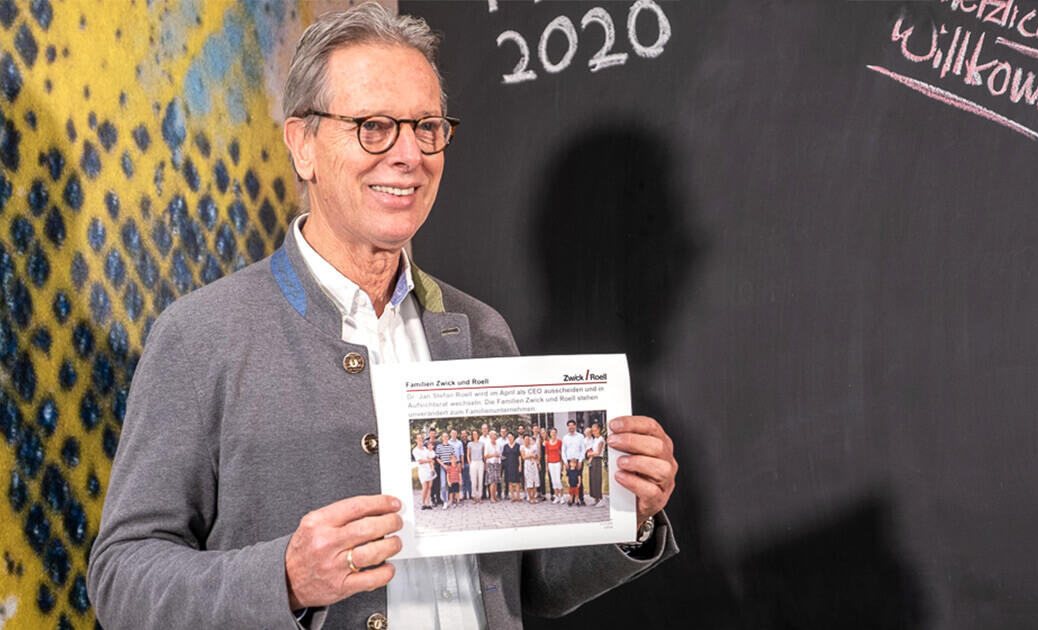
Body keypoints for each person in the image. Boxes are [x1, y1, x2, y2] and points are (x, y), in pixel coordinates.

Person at [89, 4, 678, 628]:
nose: (408, 154)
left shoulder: (481, 331)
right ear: (303, 144)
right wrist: (284, 580)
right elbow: (121, 578)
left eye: (426, 127)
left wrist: (626, 513)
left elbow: (520, 582)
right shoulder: (202, 336)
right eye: (374, 126)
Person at [587, 423, 607, 507]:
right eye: (593, 430)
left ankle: (601, 499)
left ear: (599, 429)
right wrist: (589, 460)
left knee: (597, 479)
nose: (594, 432)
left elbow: (598, 452)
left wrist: (590, 454)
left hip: (597, 460)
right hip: (593, 460)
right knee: (592, 480)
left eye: (595, 430)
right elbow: (592, 451)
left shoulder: (601, 440)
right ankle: (596, 499)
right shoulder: (594, 439)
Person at [502, 433, 523, 504]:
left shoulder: (517, 446)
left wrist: (520, 465)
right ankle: (512, 497)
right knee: (509, 482)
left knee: (517, 482)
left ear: (513, 437)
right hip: (508, 466)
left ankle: (518, 497)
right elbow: (503, 456)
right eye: (508, 437)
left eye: (511, 437)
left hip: (516, 465)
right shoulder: (505, 446)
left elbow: (519, 456)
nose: (510, 438)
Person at [415, 440, 435, 510]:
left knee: (429, 486)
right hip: (422, 470)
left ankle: (428, 503)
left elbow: (429, 457)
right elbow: (420, 461)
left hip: (429, 469)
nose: (420, 440)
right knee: (425, 487)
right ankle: (423, 503)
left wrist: (431, 463)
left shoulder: (425, 449)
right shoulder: (415, 450)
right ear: (416, 440)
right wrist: (429, 461)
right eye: (419, 438)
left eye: (421, 438)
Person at [545, 427, 564, 503]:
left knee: (558, 480)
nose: (553, 434)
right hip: (550, 463)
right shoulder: (547, 443)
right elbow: (546, 454)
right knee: (553, 480)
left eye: (554, 433)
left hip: (557, 463)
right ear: (550, 434)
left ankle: (561, 496)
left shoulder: (559, 442)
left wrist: (562, 464)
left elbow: (561, 453)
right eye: (552, 433)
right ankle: (556, 496)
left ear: (556, 433)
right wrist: (546, 465)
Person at [484, 430, 503, 504]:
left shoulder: (497, 444)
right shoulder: (488, 444)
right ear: (490, 436)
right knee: (492, 481)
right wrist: (493, 455)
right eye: (493, 435)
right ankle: (491, 497)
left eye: (495, 435)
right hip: (490, 463)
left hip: (497, 463)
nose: (494, 436)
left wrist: (499, 458)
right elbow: (485, 456)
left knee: (496, 481)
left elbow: (499, 454)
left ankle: (495, 496)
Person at [467, 429, 484, 505]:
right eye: (473, 434)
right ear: (472, 435)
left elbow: (483, 455)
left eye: (476, 434)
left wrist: (484, 463)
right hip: (473, 462)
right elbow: (468, 455)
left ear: (478, 435)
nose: (475, 435)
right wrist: (470, 463)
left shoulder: (482, 444)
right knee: (473, 481)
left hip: (480, 462)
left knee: (480, 480)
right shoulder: (470, 444)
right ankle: (474, 497)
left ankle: (480, 497)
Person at [522, 435, 540, 504]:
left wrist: (533, 456)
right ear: (524, 440)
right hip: (527, 465)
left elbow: (536, 455)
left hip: (534, 464)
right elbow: (523, 457)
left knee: (535, 481)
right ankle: (530, 497)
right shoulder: (522, 447)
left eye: (528, 439)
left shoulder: (533, 447)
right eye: (525, 439)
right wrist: (531, 455)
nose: (527, 440)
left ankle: (533, 496)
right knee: (529, 482)